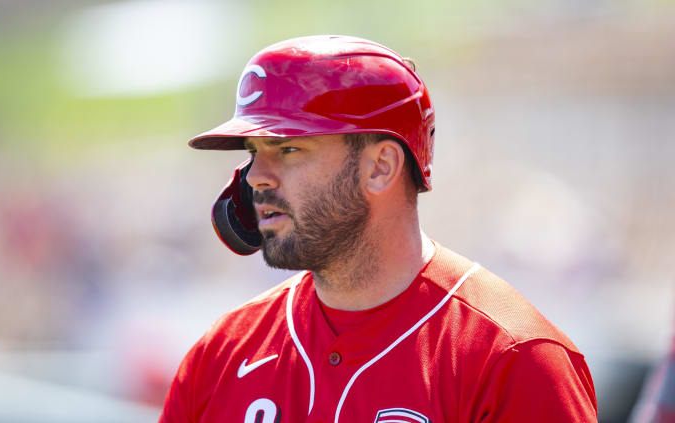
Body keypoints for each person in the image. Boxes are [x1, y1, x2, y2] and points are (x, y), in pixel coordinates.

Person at [159, 35, 598, 422]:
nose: (255, 176)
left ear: (381, 166)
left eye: (289, 149)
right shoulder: (221, 353)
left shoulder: (512, 358)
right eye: (255, 151)